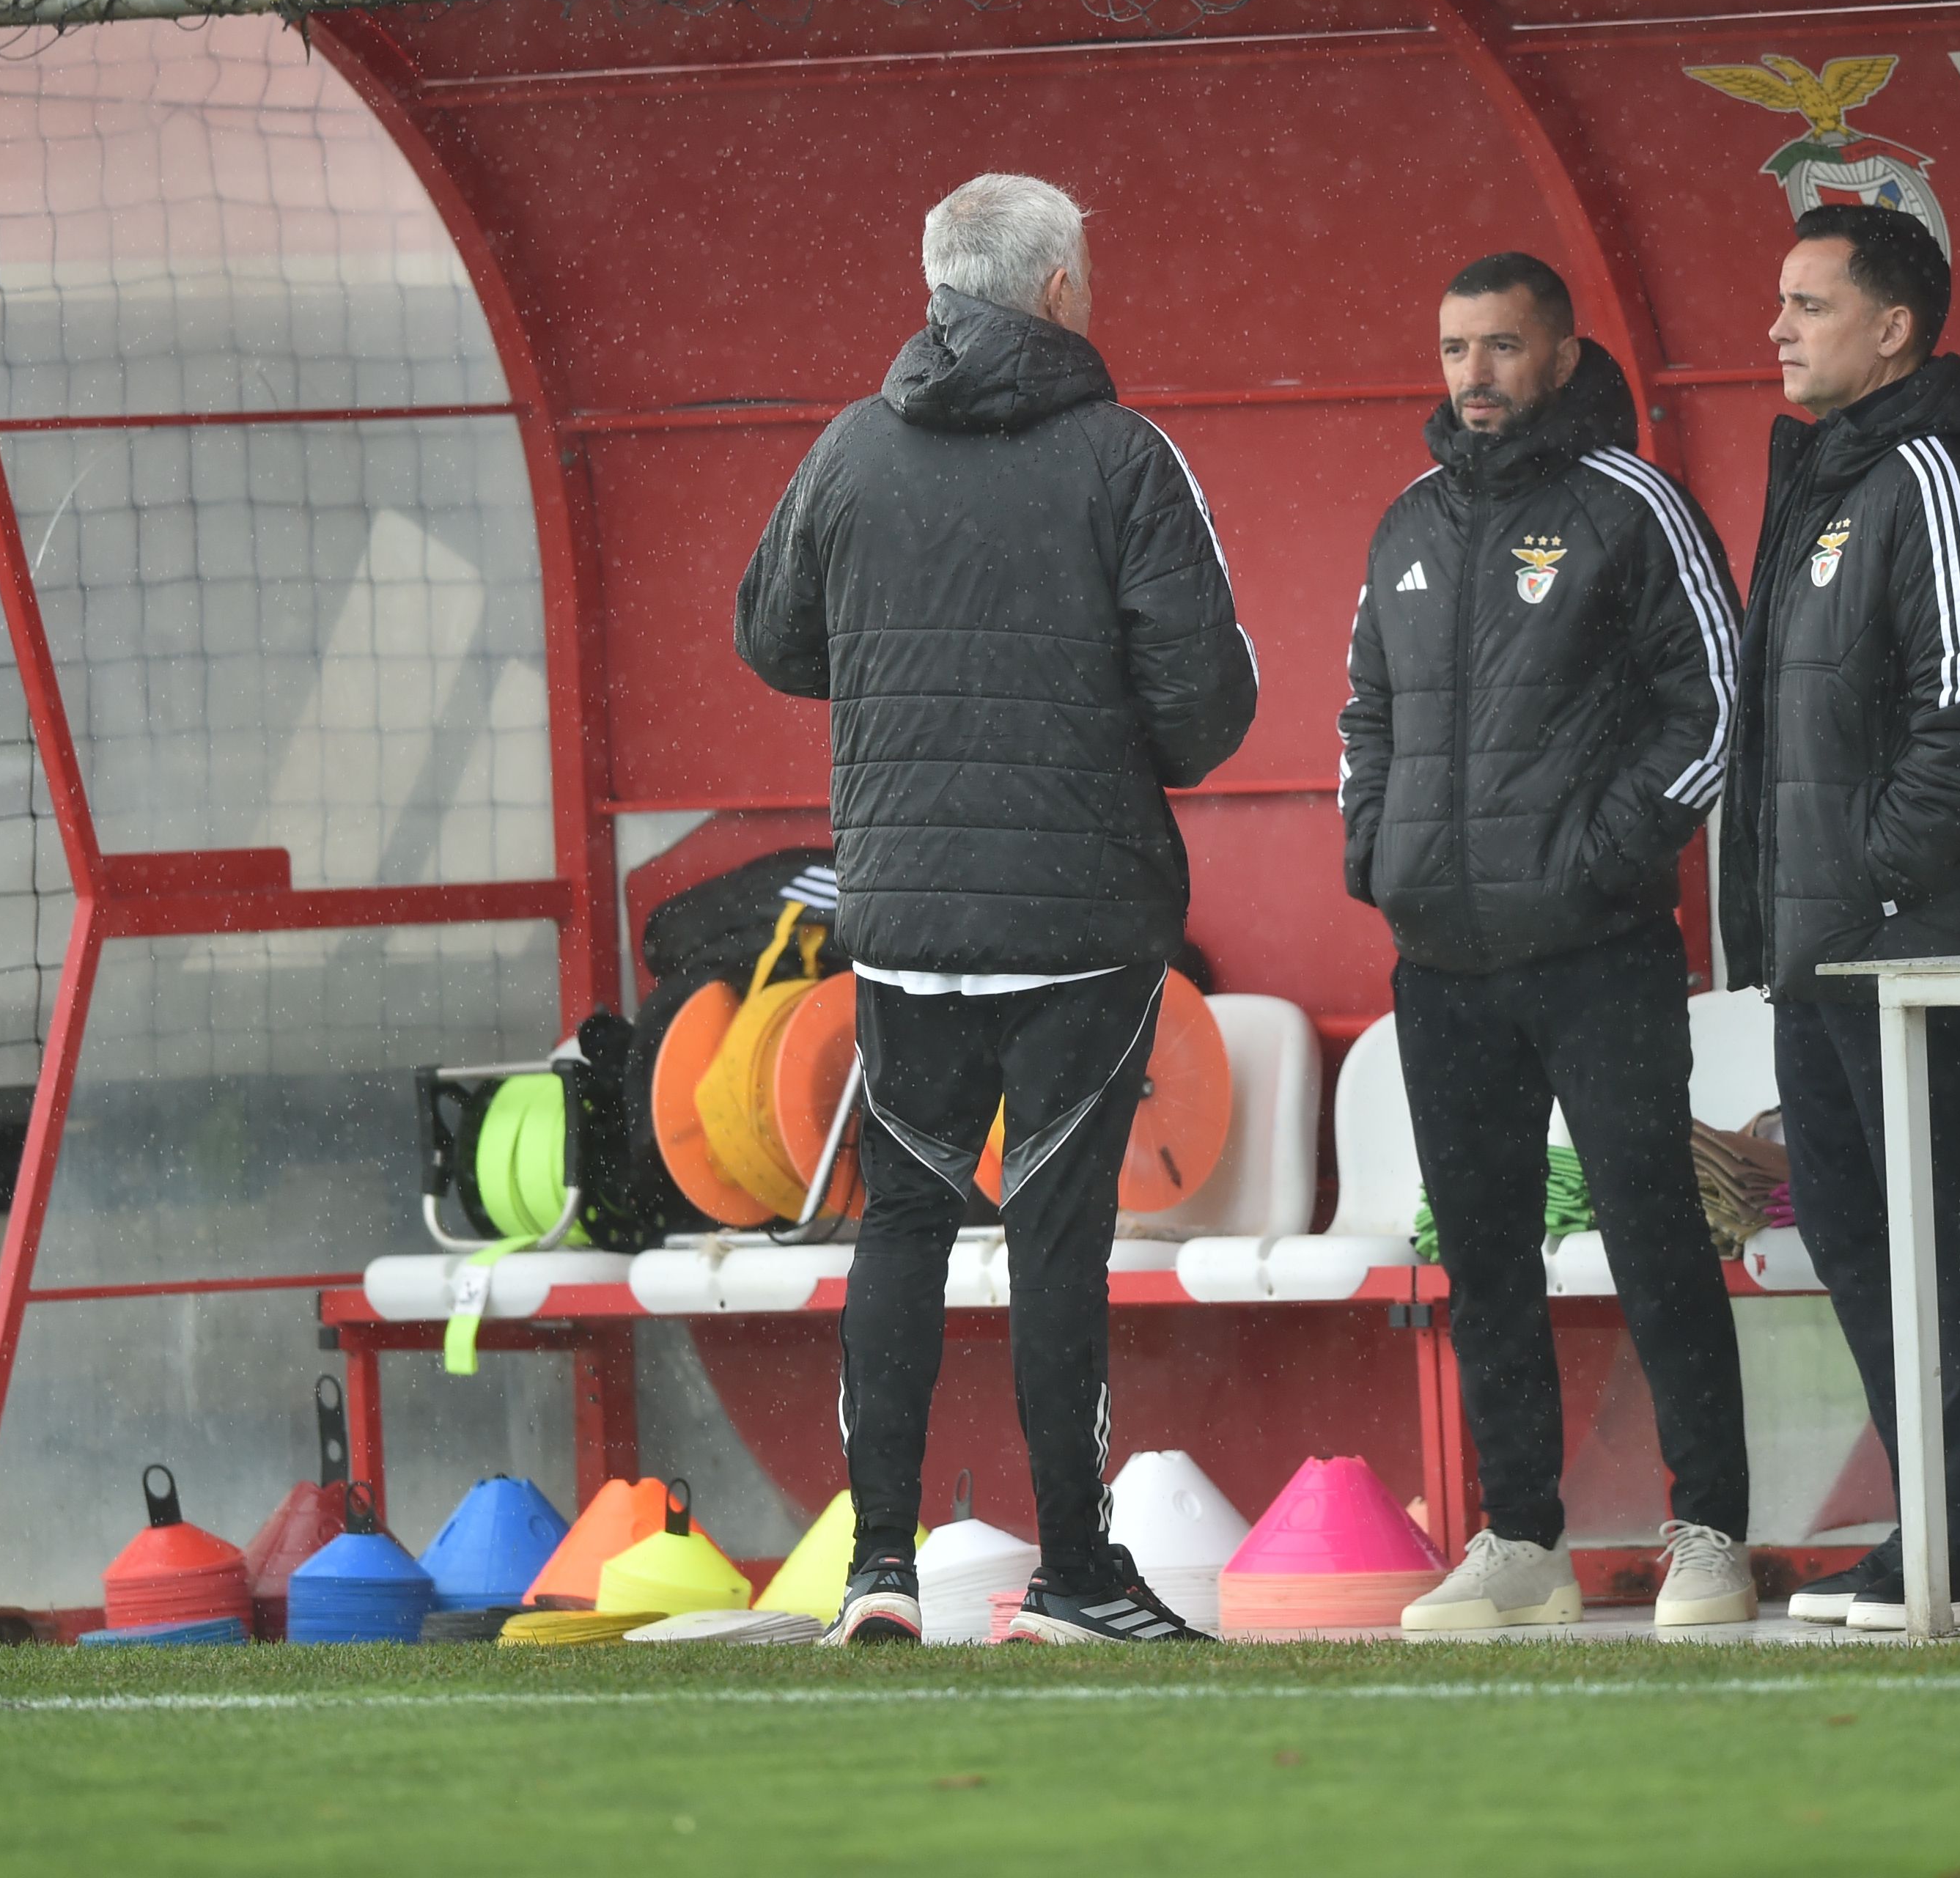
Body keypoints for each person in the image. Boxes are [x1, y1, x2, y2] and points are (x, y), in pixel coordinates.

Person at [735, 172, 1259, 1646]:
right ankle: (1077, 1575)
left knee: (899, 1222)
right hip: (1083, 917)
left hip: (904, 917)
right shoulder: (1121, 457)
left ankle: (878, 1566)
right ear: (1052, 294)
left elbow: (770, 635)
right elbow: (1205, 702)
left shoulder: (848, 448)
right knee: (1055, 1234)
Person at [1339, 251, 1758, 1632]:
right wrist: (1376, 859)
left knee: (1654, 1238)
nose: (1474, 376)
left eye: (1504, 348)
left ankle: (1710, 1535)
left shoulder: (1630, 504)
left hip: (1596, 955)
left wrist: (1599, 861)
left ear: (1563, 358)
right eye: (1456, 348)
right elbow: (1367, 718)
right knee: (1487, 1258)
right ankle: (1522, 1542)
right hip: (1443, 965)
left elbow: (1717, 703)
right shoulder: (1405, 521)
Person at [1715, 202, 1960, 1632]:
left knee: (1941, 1237)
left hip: (1908, 940)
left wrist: (1865, 876)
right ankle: (1930, 1525)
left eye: (1807, 304)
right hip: (1821, 949)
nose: (1777, 329)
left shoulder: (1938, 473)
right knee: (1855, 1239)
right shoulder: (1821, 479)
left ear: (1895, 328)